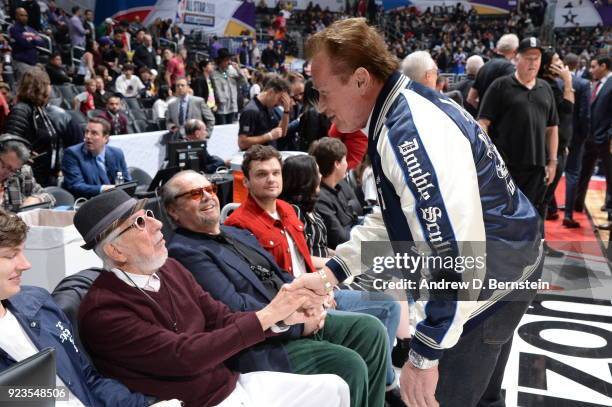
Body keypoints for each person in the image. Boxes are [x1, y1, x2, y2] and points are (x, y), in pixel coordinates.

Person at [298, 18, 543, 407]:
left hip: (486, 285)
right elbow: (396, 217)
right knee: (485, 396)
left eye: (324, 92)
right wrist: (333, 271)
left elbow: (455, 251)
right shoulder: (403, 107)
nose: (322, 108)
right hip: (508, 264)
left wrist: (426, 350)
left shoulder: (406, 131)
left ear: (361, 80)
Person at [74, 189, 350, 407]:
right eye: (139, 222)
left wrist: (282, 318)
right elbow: (184, 356)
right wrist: (268, 315)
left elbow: (221, 318)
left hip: (230, 384)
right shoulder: (104, 311)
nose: (157, 224)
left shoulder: (169, 268)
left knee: (335, 388)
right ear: (115, 251)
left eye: (148, 213)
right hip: (196, 402)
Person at [164, 169, 393, 407]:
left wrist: (311, 299)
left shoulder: (236, 233)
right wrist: (297, 323)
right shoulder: (184, 251)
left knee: (369, 329)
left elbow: (282, 274)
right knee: (349, 364)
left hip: (294, 317)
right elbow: (235, 309)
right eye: (194, 194)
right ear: (173, 211)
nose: (207, 196)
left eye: (209, 189)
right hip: (261, 343)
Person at [225, 145, 403, 405]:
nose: (271, 179)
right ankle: (385, 385)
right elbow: (266, 282)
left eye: (275, 172)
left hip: (318, 288)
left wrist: (326, 284)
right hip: (296, 303)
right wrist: (315, 294)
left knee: (387, 303)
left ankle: (381, 388)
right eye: (262, 174)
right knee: (379, 314)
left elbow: (304, 259)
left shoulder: (288, 210)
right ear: (247, 181)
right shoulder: (238, 225)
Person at [0, 209, 181, 407]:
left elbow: (86, 379)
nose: (25, 264)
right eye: (10, 256)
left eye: (22, 252)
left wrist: (141, 405)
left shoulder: (38, 303)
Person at [479, 37, 559, 255]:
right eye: (528, 58)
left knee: (535, 211)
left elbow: (552, 128)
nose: (533, 63)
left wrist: (553, 161)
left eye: (537, 58)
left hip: (536, 165)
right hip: (506, 165)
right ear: (517, 58)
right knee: (504, 214)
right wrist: (488, 159)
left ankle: (532, 254)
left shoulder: (545, 89)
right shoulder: (500, 86)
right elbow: (483, 123)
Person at [4, 67, 82, 186]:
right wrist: (26, 154)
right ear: (40, 86)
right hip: (28, 178)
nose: (50, 88)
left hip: (44, 176)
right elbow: (11, 145)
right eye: (48, 84)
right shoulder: (21, 110)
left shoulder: (39, 109)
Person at [539, 49, 574, 239]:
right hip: (548, 152)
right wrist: (568, 81)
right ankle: (538, 246)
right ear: (547, 65)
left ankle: (539, 244)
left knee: (545, 200)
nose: (561, 62)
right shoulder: (547, 86)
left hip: (559, 148)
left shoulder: (552, 84)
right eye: (557, 60)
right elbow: (568, 108)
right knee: (542, 200)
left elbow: (567, 113)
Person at [575, 56, 612, 229]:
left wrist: (609, 134)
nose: (591, 69)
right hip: (590, 137)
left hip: (605, 138)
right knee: (583, 171)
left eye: (594, 66)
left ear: (604, 66)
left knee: (610, 177)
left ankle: (610, 213)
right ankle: (576, 202)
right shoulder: (597, 84)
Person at [308, 138, 360, 249]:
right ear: (337, 164)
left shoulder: (342, 185)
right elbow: (341, 239)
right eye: (345, 160)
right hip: (346, 252)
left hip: (357, 240)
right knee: (397, 252)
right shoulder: (320, 199)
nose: (347, 164)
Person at [62, 118, 131, 198]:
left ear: (105, 138)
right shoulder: (72, 154)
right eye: (86, 132)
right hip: (88, 203)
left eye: (94, 133)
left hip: (117, 200)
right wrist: (104, 189)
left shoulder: (117, 153)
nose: (88, 136)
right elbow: (76, 186)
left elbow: (127, 182)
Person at [562, 53, 591, 228]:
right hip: (576, 136)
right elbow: (584, 115)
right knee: (572, 173)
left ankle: (549, 209)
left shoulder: (557, 82)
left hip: (558, 133)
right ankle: (568, 214)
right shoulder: (582, 83)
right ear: (578, 65)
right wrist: (584, 135)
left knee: (554, 170)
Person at [0, 134, 55, 211]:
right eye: (4, 165)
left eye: (13, 170)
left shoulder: (21, 173)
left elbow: (50, 197)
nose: (7, 173)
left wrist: (37, 199)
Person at [466, 33, 518, 111]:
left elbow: (470, 98)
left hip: (482, 120)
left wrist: (484, 112)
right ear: (515, 50)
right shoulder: (509, 68)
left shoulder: (484, 66)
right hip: (502, 121)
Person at [237, 75, 291, 151]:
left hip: (269, 155)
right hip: (257, 159)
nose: (279, 104)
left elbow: (282, 132)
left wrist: (286, 111)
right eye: (279, 99)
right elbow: (242, 143)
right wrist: (269, 136)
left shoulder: (270, 107)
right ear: (270, 92)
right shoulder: (251, 111)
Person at [8, 8, 46, 81]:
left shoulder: (31, 29)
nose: (25, 18)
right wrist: (33, 39)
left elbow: (42, 42)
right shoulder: (13, 29)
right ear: (16, 16)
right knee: (24, 87)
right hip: (21, 62)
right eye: (22, 15)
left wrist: (30, 40)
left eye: (26, 15)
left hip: (33, 63)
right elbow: (24, 43)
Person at [211, 49, 247, 125]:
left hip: (232, 105)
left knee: (229, 129)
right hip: (220, 107)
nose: (229, 62)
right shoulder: (214, 73)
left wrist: (238, 69)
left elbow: (244, 81)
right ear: (221, 60)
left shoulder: (232, 70)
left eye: (229, 60)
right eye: (227, 60)